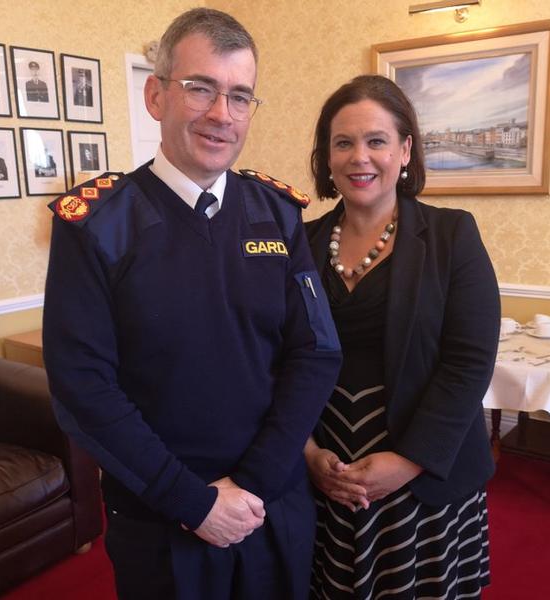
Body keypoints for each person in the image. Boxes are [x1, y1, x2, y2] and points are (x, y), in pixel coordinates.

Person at [43, 7, 342, 600]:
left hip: (270, 506)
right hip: (163, 518)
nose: (221, 115)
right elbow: (83, 385)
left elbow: (316, 352)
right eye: (200, 88)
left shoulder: (276, 213)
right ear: (156, 96)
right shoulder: (97, 225)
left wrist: (252, 486)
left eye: (239, 96)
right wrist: (194, 501)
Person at [304, 75, 500, 599]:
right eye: (342, 142)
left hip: (425, 478)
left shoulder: (452, 234)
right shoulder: (302, 242)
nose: (358, 157)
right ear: (326, 155)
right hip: (327, 474)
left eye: (376, 140)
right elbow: (280, 356)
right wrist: (306, 452)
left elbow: (469, 362)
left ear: (405, 149)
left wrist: (408, 461)